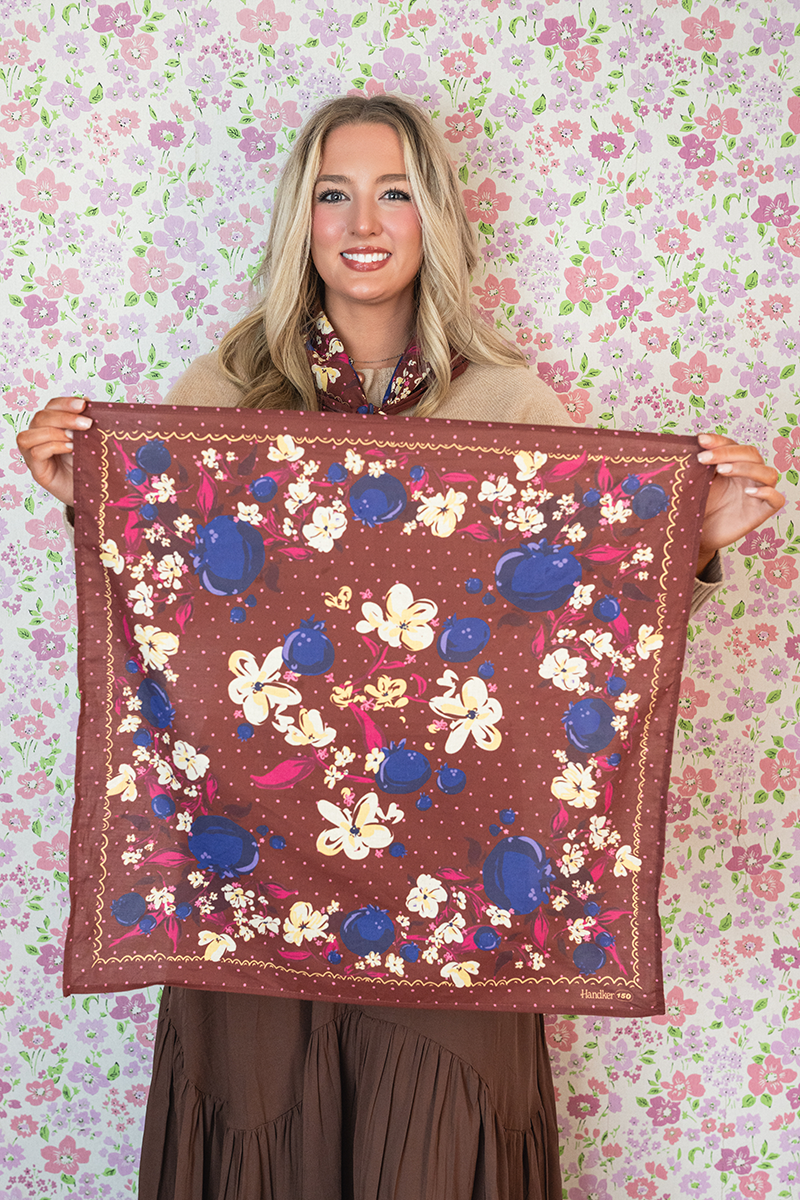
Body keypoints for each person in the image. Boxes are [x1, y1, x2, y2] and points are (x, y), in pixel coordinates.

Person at [18, 95, 783, 1200]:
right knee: (259, 1140)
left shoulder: (510, 406)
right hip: (249, 878)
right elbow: (177, 619)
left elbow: (573, 629)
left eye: (395, 193)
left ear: (436, 218)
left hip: (458, 887)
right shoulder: (217, 400)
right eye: (334, 193)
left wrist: (689, 544)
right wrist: (89, 497)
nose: (363, 222)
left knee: (433, 1152)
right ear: (302, 218)